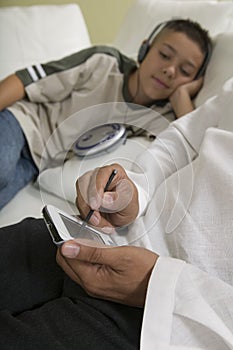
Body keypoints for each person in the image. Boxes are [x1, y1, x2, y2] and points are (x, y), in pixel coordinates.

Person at [0, 78, 233, 349]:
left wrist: (161, 283)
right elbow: (182, 142)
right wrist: (135, 191)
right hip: (98, 239)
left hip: (161, 327)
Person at [0, 18, 212, 209]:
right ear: (144, 50)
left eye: (185, 71)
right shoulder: (103, 62)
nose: (170, 70)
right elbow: (25, 80)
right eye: (164, 55)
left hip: (36, 163)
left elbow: (192, 153)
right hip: (22, 122)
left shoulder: (161, 117)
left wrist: (182, 96)